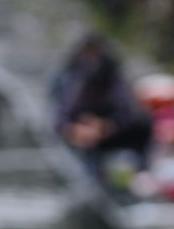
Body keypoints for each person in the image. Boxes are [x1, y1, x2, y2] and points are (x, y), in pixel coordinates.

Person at [53, 34, 152, 180]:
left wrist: (105, 126)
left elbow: (131, 115)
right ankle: (92, 178)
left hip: (115, 134)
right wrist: (75, 130)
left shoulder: (115, 81)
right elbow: (59, 120)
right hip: (87, 140)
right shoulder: (75, 82)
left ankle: (141, 171)